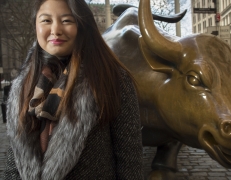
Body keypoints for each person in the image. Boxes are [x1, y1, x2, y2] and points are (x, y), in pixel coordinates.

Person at [3, 0, 143, 179]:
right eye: (46, 20)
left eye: (67, 20)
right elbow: (15, 157)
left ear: (83, 25)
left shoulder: (113, 79)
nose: (55, 30)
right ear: (36, 25)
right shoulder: (24, 83)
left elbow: (129, 163)